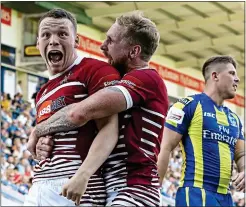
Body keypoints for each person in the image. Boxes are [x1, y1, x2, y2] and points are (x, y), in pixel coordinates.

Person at [29, 11, 169, 206]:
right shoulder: (125, 80)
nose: (102, 46)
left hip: (135, 188)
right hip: (114, 185)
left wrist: (38, 130)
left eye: (110, 41)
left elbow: (79, 113)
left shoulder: (146, 78)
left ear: (134, 51)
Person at [25, 8, 121, 206]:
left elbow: (109, 129)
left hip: (76, 186)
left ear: (76, 41)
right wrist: (41, 146)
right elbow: (49, 135)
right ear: (37, 43)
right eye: (46, 35)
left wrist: (83, 175)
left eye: (62, 34)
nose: (53, 40)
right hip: (39, 186)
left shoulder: (95, 70)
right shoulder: (42, 92)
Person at [157, 55, 245, 206]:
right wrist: (155, 189)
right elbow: (164, 147)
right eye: (232, 73)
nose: (237, 79)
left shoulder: (235, 119)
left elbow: (241, 154)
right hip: (195, 194)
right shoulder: (188, 105)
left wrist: (244, 169)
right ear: (215, 76)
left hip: (225, 198)